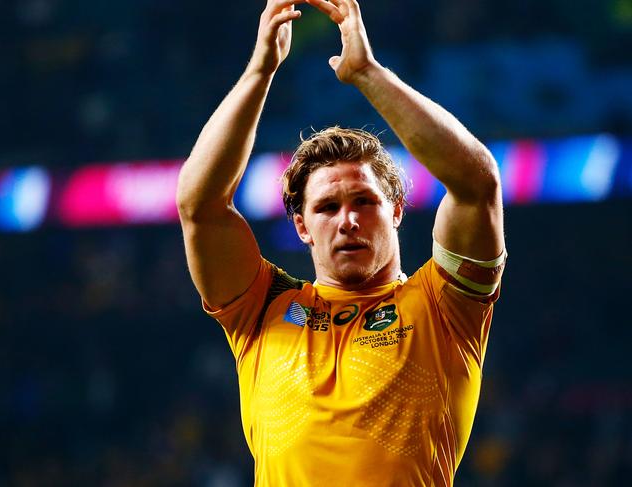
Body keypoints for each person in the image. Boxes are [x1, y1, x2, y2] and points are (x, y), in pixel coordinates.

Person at [176, 0, 506, 485]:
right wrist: (260, 71)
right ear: (303, 227)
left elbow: (478, 186)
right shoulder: (260, 309)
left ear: (395, 211)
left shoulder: (444, 306)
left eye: (365, 202)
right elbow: (199, 207)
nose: (347, 220)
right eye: (327, 208)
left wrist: (368, 74)